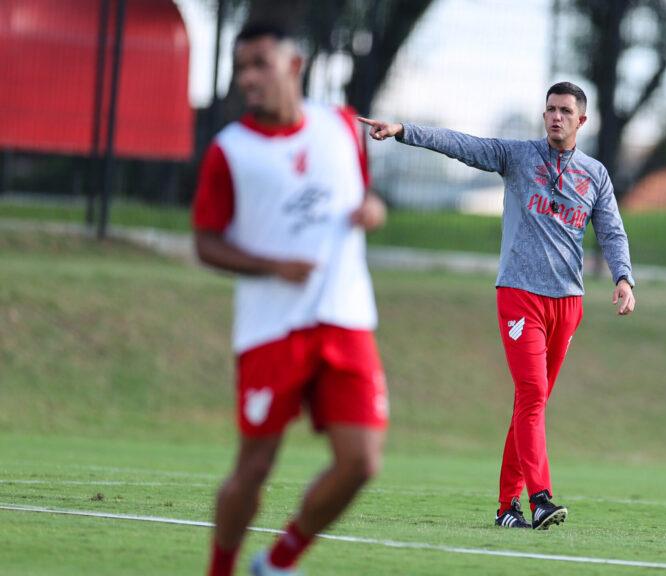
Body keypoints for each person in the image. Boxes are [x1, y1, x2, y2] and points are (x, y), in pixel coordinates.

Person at [358, 81, 636, 531]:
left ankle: (507, 508)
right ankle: (540, 497)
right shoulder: (518, 156)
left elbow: (612, 231)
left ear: (581, 120)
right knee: (531, 395)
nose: (556, 117)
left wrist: (624, 278)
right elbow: (464, 145)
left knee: (533, 403)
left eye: (565, 111)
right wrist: (404, 130)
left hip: (568, 302)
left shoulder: (595, 175)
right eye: (550, 109)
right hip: (519, 297)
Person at [192, 22, 389, 576]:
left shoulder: (343, 127)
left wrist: (373, 211)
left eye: (259, 63)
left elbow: (364, 196)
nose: (249, 78)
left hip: (346, 319)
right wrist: (273, 265)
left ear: (294, 64)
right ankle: (220, 570)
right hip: (271, 330)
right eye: (241, 68)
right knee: (253, 467)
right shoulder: (230, 151)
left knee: (362, 462)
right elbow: (205, 243)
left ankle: (278, 563)